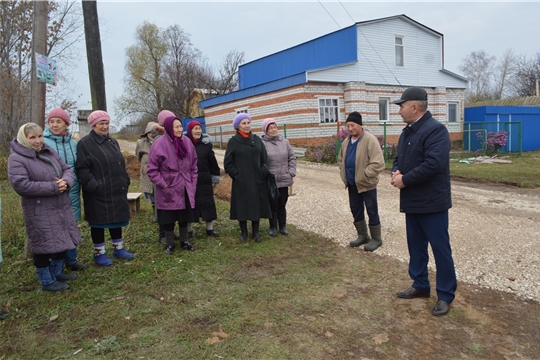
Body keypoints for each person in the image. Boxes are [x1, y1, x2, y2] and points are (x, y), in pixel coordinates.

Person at [390, 86, 457, 316]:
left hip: (432, 204)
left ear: (414, 106)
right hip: (412, 202)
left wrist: (405, 180)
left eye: (402, 106)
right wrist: (396, 172)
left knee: (440, 250)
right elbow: (398, 158)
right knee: (416, 248)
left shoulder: (436, 130)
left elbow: (433, 165)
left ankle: (446, 295)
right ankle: (420, 285)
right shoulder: (407, 131)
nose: (399, 111)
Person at [8, 123, 81, 292]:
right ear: (23, 139)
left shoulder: (48, 151)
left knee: (62, 240)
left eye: (40, 136)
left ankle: (56, 273)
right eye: (32, 137)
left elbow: (66, 169)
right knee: (43, 245)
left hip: (60, 205)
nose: (37, 141)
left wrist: (66, 182)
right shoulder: (17, 158)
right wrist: (54, 187)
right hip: (39, 209)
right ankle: (46, 281)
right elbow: (21, 185)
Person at [76, 110, 134, 266]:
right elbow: (82, 168)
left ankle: (118, 248)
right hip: (98, 192)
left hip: (116, 188)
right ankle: (99, 252)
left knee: (116, 219)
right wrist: (94, 186)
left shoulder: (112, 141)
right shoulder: (85, 143)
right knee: (99, 222)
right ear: (93, 125)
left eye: (107, 123)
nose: (104, 126)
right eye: (101, 123)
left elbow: (120, 164)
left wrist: (125, 180)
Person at [43, 108, 87, 271]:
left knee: (71, 225)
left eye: (58, 121)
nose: (55, 125)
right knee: (55, 227)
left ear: (66, 124)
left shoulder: (73, 143)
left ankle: (71, 259)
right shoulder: (44, 142)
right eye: (51, 121)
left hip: (73, 189)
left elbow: (77, 166)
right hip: (53, 190)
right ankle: (55, 263)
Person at [147, 116, 198, 254]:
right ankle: (169, 243)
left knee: (184, 215)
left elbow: (194, 165)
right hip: (168, 186)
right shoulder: (159, 144)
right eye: (176, 127)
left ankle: (185, 240)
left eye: (181, 126)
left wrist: (193, 182)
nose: (179, 129)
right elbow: (152, 170)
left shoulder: (187, 142)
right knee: (168, 218)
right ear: (169, 128)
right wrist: (163, 185)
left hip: (185, 185)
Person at [338, 111, 385, 251]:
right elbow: (341, 159)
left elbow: (378, 163)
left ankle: (376, 238)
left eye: (353, 125)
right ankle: (362, 235)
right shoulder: (346, 142)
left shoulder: (370, 139)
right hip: (352, 184)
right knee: (356, 209)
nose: (350, 128)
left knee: (372, 210)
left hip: (367, 184)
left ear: (360, 125)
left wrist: (365, 175)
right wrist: (343, 172)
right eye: (348, 126)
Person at [224, 113, 272, 243]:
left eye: (248, 123)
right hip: (241, 181)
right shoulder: (233, 142)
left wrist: (263, 171)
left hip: (257, 180)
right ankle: (244, 232)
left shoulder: (256, 140)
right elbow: (228, 163)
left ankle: (255, 232)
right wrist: (236, 175)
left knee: (256, 205)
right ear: (238, 126)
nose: (246, 126)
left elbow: (265, 158)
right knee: (242, 206)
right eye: (243, 123)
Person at [260, 118, 297, 237]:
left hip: (284, 178)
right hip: (271, 181)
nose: (273, 129)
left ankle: (283, 226)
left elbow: (292, 157)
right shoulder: (262, 143)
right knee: (273, 205)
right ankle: (273, 227)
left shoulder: (285, 142)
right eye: (270, 128)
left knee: (282, 204)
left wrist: (291, 171)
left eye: (275, 127)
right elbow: (261, 161)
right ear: (266, 130)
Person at [186, 120, 221, 237]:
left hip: (205, 179)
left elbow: (213, 162)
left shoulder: (206, 145)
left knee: (208, 202)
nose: (198, 131)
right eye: (195, 128)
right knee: (190, 204)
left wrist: (215, 176)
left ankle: (210, 228)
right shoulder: (184, 144)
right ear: (190, 130)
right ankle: (189, 229)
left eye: (199, 128)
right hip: (190, 180)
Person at [136, 121, 158, 221]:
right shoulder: (141, 143)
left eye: (153, 132)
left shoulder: (160, 140)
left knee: (159, 193)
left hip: (159, 172)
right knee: (151, 192)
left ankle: (159, 214)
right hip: (147, 172)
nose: (151, 134)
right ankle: (155, 213)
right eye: (150, 132)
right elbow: (138, 156)